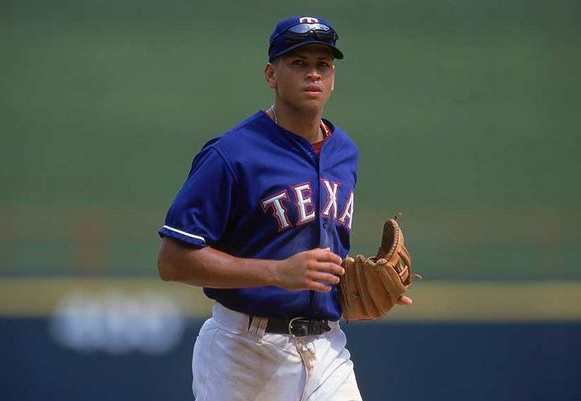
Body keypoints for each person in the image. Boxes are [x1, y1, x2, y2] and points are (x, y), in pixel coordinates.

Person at [157, 15, 411, 401]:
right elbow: (172, 261)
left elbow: (314, 255)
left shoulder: (345, 151)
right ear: (271, 75)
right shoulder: (231, 154)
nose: (313, 73)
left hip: (326, 347)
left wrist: (356, 288)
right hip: (244, 351)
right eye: (298, 62)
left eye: (322, 64)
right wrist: (277, 273)